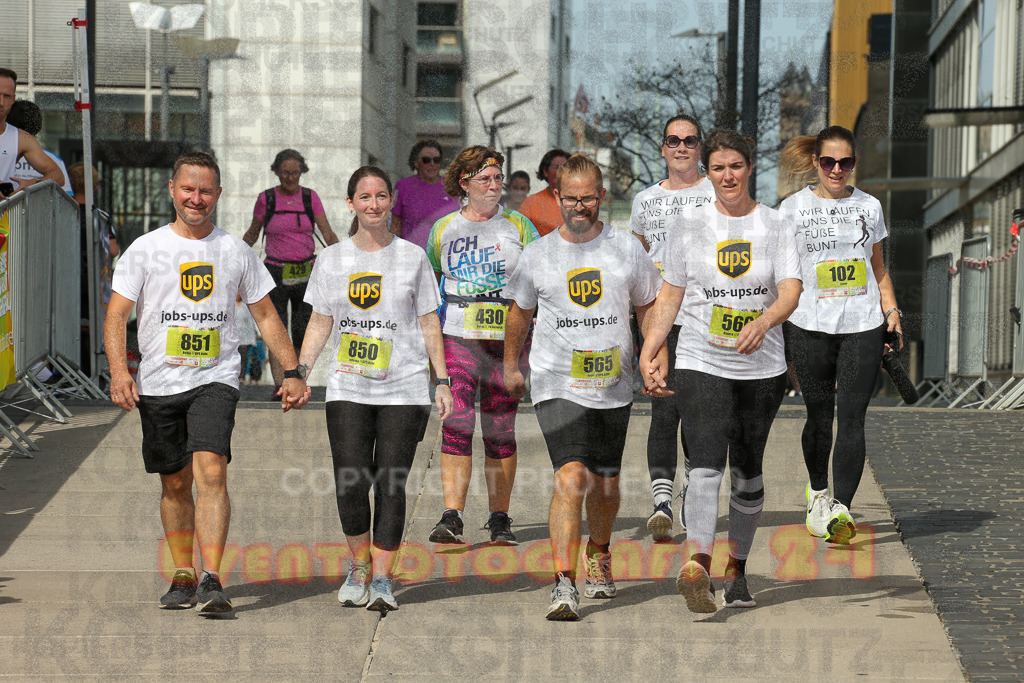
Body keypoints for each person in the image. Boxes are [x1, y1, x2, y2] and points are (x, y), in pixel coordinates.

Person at [105, 152, 311, 617]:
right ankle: (183, 574)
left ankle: (213, 578)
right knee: (175, 482)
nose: (196, 198)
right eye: (188, 189)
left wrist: (292, 371)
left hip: (215, 377)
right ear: (172, 190)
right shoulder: (145, 248)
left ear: (218, 196)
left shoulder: (234, 250)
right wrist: (121, 372)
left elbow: (265, 314)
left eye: (206, 191)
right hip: (159, 382)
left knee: (211, 470)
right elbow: (118, 314)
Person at [640, 130, 802, 614]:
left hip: (763, 366)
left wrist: (765, 320)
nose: (727, 176)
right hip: (700, 357)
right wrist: (651, 349)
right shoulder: (689, 226)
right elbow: (670, 295)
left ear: (750, 167)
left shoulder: (776, 226)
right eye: (718, 168)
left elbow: (791, 292)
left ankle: (738, 567)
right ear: (707, 174)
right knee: (706, 460)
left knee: (748, 471)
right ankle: (698, 565)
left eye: (735, 166)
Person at [504, 154, 662, 621]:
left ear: (601, 197)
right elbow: (519, 314)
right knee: (571, 478)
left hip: (614, 385)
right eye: (570, 198)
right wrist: (512, 365)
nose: (579, 206)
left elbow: (649, 305)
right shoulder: (538, 253)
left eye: (588, 198)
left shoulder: (627, 249)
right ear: (557, 197)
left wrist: (653, 355)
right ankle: (563, 583)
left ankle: (599, 550)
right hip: (557, 383)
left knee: (605, 484)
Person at [297, 166, 453, 612]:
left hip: (403, 387)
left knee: (391, 482)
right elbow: (321, 319)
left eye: (381, 196)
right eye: (364, 197)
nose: (373, 204)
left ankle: (383, 577)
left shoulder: (412, 257)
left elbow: (428, 321)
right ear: (351, 204)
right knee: (350, 480)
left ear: (390, 202)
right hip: (348, 385)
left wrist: (441, 379)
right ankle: (359, 566)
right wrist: (300, 371)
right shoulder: (332, 260)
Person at [778, 126, 902, 545]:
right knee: (819, 416)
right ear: (815, 162)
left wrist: (891, 309)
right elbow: (784, 272)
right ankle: (817, 495)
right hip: (808, 322)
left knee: (852, 417)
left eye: (845, 162)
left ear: (854, 164)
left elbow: (878, 267)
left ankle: (841, 510)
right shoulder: (791, 209)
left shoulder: (870, 206)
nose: (836, 170)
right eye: (828, 162)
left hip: (862, 323)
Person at [425, 145, 538, 546]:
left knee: (500, 430)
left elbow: (539, 284)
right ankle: (452, 515)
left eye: (498, 179)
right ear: (465, 183)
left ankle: (500, 518)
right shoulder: (443, 230)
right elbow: (428, 290)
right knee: (456, 423)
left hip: (506, 341)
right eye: (485, 180)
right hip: (458, 335)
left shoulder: (521, 227)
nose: (494, 186)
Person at [630, 114, 715, 542]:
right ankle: (661, 500)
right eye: (672, 140)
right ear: (661, 148)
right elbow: (638, 262)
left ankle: (688, 490)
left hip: (704, 317)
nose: (681, 147)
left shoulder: (714, 191)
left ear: (700, 148)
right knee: (663, 410)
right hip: (660, 320)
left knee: (695, 413)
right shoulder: (645, 201)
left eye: (689, 140)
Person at [242, 149, 339, 399]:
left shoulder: (310, 198)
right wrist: (236, 257)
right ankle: (280, 383)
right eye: (285, 172)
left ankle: (296, 380)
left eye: (295, 172)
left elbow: (327, 233)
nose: (290, 178)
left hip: (306, 271)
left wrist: (345, 259)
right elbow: (253, 232)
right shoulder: (267, 199)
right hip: (274, 270)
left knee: (301, 329)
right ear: (276, 172)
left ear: (302, 172)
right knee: (276, 328)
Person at [68, 162, 118, 375]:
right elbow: (114, 249)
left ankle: (69, 371)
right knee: (92, 326)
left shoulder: (63, 212)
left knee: (69, 325)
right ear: (95, 188)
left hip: (67, 279)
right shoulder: (100, 217)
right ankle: (91, 372)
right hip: (93, 280)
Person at [0, 67, 64, 194]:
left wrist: (33, 183)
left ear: (13, 99)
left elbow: (58, 176)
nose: (1, 102)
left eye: (7, 96)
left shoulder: (21, 138)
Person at [390, 139, 457, 249]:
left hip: (443, 257)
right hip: (411, 256)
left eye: (437, 160)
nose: (432, 164)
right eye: (426, 160)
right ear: (416, 163)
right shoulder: (403, 186)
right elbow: (395, 226)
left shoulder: (451, 187)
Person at [6, 100, 72, 193]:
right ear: (38, 126)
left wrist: (33, 183)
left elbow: (60, 179)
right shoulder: (54, 160)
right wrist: (35, 183)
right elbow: (65, 197)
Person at [518, 148, 570, 236]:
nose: (562, 172)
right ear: (545, 171)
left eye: (565, 167)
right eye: (557, 167)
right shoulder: (531, 203)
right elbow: (519, 234)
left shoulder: (578, 202)